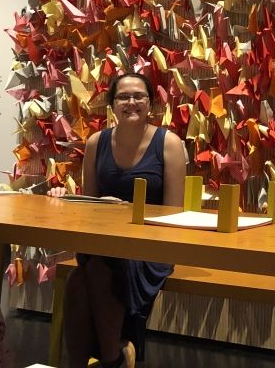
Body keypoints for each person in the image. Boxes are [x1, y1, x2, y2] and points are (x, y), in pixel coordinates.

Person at [58, 72, 186, 368]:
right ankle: (112, 356)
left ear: (151, 104)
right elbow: (89, 205)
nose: (131, 102)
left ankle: (112, 359)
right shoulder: (95, 142)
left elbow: (174, 213)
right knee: (78, 278)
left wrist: (127, 211)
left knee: (96, 272)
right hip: (102, 243)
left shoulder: (169, 143)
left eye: (138, 96)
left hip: (150, 247)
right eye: (123, 96)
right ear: (112, 104)